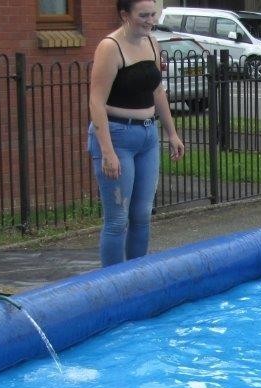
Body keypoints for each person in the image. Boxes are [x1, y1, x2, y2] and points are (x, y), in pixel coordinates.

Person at [88, 0, 185, 267]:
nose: (150, 20)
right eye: (143, 15)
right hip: (117, 136)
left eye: (153, 14)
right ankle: (112, 281)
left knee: (142, 215)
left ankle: (137, 276)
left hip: (147, 136)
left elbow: (157, 91)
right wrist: (107, 152)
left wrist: (172, 133)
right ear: (125, 15)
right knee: (118, 219)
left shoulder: (152, 42)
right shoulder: (110, 47)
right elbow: (96, 102)